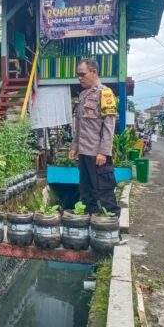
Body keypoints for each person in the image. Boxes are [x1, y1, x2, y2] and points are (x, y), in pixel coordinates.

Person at [68, 59, 121, 216]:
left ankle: (111, 231)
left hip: (98, 154)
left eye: (82, 74)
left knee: (105, 194)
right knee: (86, 193)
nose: (79, 78)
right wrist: (75, 146)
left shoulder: (105, 94)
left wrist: (104, 152)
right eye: (78, 75)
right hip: (84, 152)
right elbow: (79, 125)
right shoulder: (83, 95)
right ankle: (90, 227)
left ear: (94, 72)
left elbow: (109, 125)